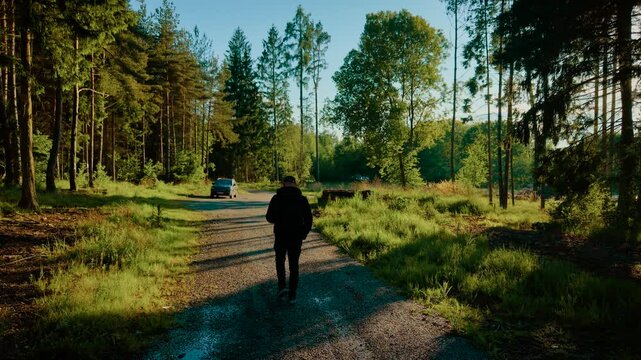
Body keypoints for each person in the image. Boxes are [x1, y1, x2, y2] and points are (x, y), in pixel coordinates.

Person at [265, 176, 312, 304]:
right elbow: (309, 220)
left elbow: (269, 217)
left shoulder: (276, 198)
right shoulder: (302, 199)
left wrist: (279, 219)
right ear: (295, 184)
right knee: (294, 265)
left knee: (280, 261)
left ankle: (282, 287)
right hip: (296, 237)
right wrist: (303, 233)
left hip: (280, 235)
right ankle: (292, 295)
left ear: (283, 184)